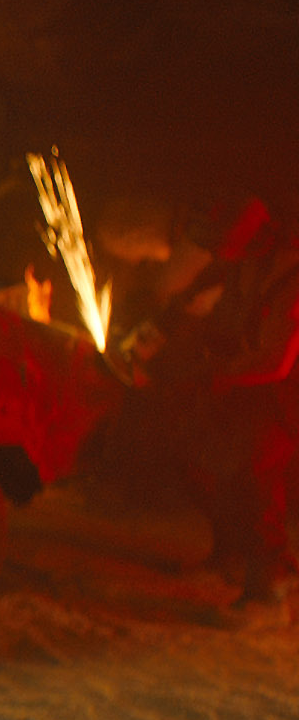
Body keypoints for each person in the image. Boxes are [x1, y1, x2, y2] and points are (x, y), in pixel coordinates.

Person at [106, 192, 299, 627]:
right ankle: (229, 555)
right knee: (196, 458)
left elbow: (277, 361)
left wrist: (216, 377)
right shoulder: (249, 263)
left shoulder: (292, 278)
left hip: (284, 395)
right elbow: (198, 301)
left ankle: (270, 590)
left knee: (254, 473)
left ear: (264, 238)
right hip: (244, 385)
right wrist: (151, 337)